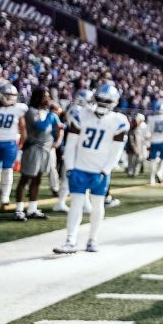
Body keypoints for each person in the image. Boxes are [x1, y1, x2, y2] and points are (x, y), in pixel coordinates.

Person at [53, 83, 128, 254]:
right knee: (76, 205)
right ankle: (70, 240)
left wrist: (105, 170)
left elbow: (116, 150)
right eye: (100, 99)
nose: (102, 103)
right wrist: (70, 167)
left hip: (99, 169)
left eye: (106, 100)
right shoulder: (81, 114)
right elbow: (71, 144)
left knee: (97, 205)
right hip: (80, 166)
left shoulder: (118, 121)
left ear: (114, 102)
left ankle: (92, 239)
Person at [13, 86, 64, 220]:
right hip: (33, 147)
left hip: (45, 148)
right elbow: (41, 127)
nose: (48, 99)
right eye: (45, 96)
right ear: (38, 98)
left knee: (37, 179)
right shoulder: (31, 111)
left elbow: (56, 128)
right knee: (25, 178)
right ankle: (19, 209)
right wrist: (52, 115)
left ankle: (32, 209)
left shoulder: (46, 112)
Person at [0, 81, 27, 210]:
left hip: (10, 142)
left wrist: (23, 141)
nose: (10, 98)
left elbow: (22, 126)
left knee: (8, 170)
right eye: (7, 95)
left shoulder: (19, 108)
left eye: (12, 95)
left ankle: (5, 197)